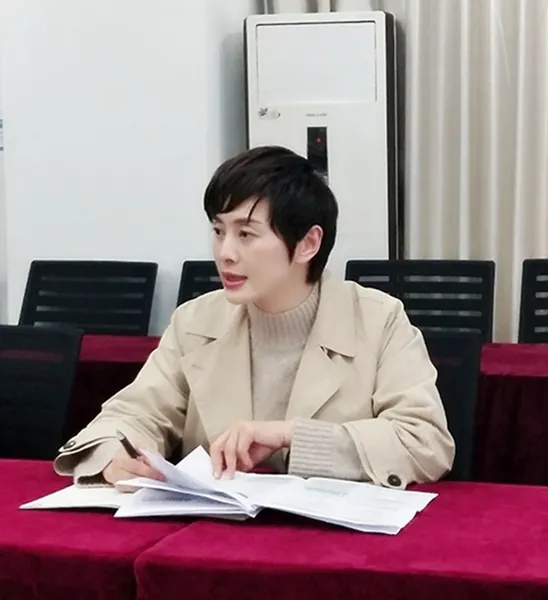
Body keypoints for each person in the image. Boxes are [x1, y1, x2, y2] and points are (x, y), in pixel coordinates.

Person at [54, 146, 455, 489]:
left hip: (330, 539)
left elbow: (424, 442)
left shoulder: (379, 320)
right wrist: (115, 454)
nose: (225, 253)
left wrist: (290, 435)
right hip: (214, 534)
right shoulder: (195, 321)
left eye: (246, 234)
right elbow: (135, 413)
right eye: (218, 231)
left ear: (308, 243)